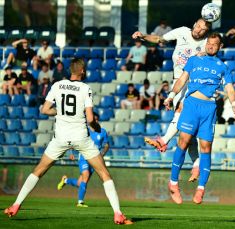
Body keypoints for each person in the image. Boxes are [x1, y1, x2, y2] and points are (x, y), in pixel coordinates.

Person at [3, 58, 132, 225]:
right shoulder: (85, 88)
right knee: (104, 174)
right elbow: (91, 119)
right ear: (83, 71)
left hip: (60, 138)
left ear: (70, 70)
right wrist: (97, 127)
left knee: (38, 171)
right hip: (81, 138)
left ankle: (15, 205)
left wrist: (60, 113)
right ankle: (118, 214)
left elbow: (44, 109)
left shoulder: (57, 85)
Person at [163, 33, 235, 204]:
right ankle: (173, 183)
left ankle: (201, 188)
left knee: (206, 148)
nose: (211, 46)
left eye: (214, 44)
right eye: (209, 43)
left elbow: (230, 88)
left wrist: (234, 104)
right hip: (191, 105)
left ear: (220, 46)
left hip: (209, 108)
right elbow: (182, 79)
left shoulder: (223, 67)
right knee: (183, 142)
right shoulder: (193, 60)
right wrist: (171, 96)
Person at [133, 18, 211, 181]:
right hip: (178, 81)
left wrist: (207, 52)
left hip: (195, 84)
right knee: (186, 132)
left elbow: (217, 48)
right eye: (198, 26)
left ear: (206, 32)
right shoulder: (182, 31)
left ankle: (163, 140)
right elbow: (159, 39)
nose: (199, 30)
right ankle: (196, 164)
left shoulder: (206, 43)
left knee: (182, 111)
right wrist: (143, 36)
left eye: (203, 29)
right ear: (194, 24)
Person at [57, 112, 110, 207]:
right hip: (84, 157)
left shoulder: (103, 131)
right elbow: (73, 142)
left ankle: (65, 180)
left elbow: (106, 145)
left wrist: (102, 154)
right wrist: (71, 153)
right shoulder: (84, 131)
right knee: (86, 175)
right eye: (93, 120)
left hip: (95, 159)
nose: (95, 121)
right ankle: (80, 202)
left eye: (96, 119)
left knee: (80, 183)